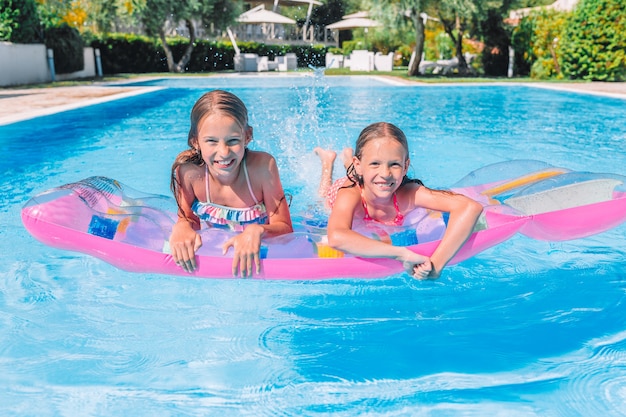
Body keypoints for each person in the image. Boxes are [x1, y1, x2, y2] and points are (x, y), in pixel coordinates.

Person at [314, 122, 483, 280]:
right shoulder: (350, 193)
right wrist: (401, 254)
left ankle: (351, 161)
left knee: (372, 178)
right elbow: (336, 237)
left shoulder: (409, 193)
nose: (386, 173)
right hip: (347, 187)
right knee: (322, 199)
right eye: (375, 163)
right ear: (359, 164)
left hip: (365, 177)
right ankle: (327, 162)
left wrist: (437, 265)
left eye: (394, 164)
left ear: (405, 166)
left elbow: (470, 207)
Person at [169, 90, 293, 277]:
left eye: (233, 140)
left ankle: (327, 166)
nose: (224, 152)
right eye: (211, 141)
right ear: (195, 141)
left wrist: (257, 230)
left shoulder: (262, 167)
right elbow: (187, 218)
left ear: (247, 136)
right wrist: (182, 227)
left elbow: (285, 227)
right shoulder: (189, 172)